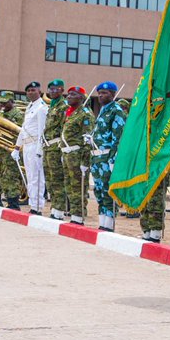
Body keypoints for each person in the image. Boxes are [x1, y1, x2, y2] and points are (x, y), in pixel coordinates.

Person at [86, 81, 127, 231]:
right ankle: (102, 222)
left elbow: (118, 137)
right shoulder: (103, 110)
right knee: (98, 190)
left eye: (105, 93)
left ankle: (109, 224)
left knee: (107, 191)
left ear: (113, 94)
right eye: (100, 93)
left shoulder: (116, 111)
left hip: (106, 157)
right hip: (97, 157)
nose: (101, 96)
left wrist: (113, 159)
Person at [59, 86, 93, 224]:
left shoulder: (85, 114)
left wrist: (85, 162)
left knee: (78, 186)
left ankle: (79, 215)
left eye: (73, 94)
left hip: (77, 154)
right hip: (67, 154)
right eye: (68, 94)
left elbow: (87, 139)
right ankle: (73, 213)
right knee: (69, 185)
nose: (68, 97)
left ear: (81, 97)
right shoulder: (70, 113)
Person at [15, 81, 48, 215]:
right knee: (29, 176)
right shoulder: (29, 107)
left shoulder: (42, 107)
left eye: (33, 90)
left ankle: (38, 206)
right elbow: (23, 129)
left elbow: (42, 130)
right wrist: (17, 147)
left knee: (37, 177)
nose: (30, 93)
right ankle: (32, 204)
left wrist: (40, 149)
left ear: (39, 92)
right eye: (28, 91)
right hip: (27, 145)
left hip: (35, 145)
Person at [42, 79, 68, 220]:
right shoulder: (52, 106)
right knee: (50, 180)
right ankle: (54, 208)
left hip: (56, 147)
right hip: (48, 147)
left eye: (56, 89)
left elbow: (64, 128)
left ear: (62, 90)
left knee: (57, 180)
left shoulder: (63, 106)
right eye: (51, 89)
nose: (53, 91)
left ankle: (59, 211)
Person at [0, 91, 25, 210]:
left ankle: (14, 203)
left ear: (12, 102)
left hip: (13, 149)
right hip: (2, 150)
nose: (3, 105)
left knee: (12, 177)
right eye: (2, 103)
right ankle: (9, 200)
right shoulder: (1, 114)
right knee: (4, 177)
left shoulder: (18, 114)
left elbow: (20, 132)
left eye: (6, 102)